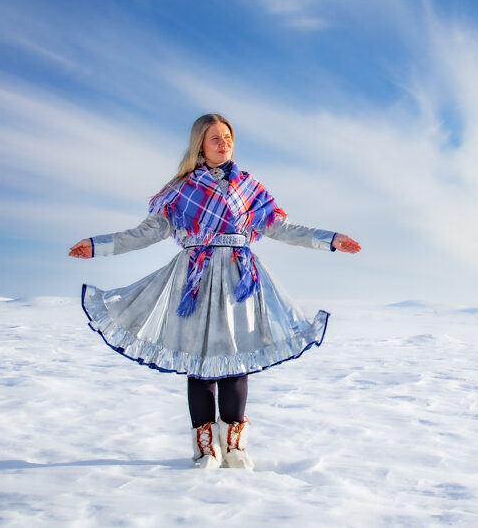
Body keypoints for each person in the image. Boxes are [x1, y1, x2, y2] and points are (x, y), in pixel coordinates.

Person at [69, 113, 360, 470]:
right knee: (200, 363)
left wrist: (330, 240)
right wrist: (97, 246)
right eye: (216, 138)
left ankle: (235, 446)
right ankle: (206, 448)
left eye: (228, 137)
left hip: (240, 280)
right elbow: (145, 233)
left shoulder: (249, 188)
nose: (224, 143)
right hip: (195, 279)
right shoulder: (180, 190)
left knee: (238, 359)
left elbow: (281, 228)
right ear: (200, 145)